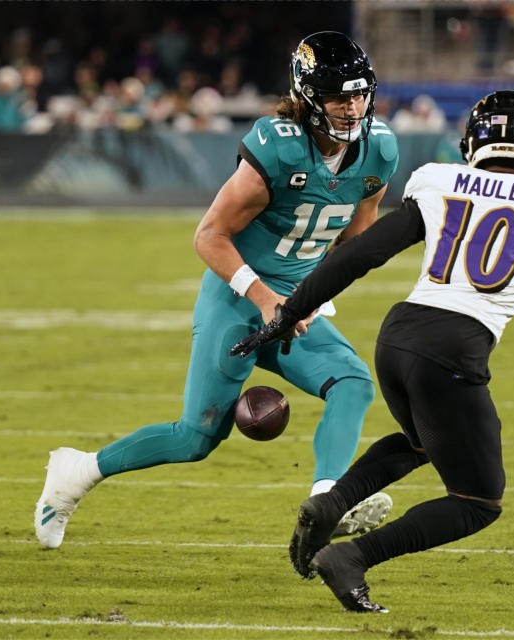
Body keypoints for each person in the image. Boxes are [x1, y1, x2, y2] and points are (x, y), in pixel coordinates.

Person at [231, 90, 514, 612]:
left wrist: (286, 313)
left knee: (421, 441)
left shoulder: (441, 181)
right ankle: (352, 556)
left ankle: (332, 504)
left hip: (397, 338)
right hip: (453, 351)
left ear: (471, 142)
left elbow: (360, 256)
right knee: (478, 500)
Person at [34, 31, 399, 549]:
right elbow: (209, 236)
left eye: (360, 94)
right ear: (308, 96)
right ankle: (77, 471)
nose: (353, 106)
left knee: (353, 382)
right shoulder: (279, 149)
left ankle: (329, 501)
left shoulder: (379, 149)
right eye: (340, 96)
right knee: (197, 436)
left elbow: (355, 238)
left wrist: (309, 295)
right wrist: (265, 297)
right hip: (237, 295)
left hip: (294, 301)